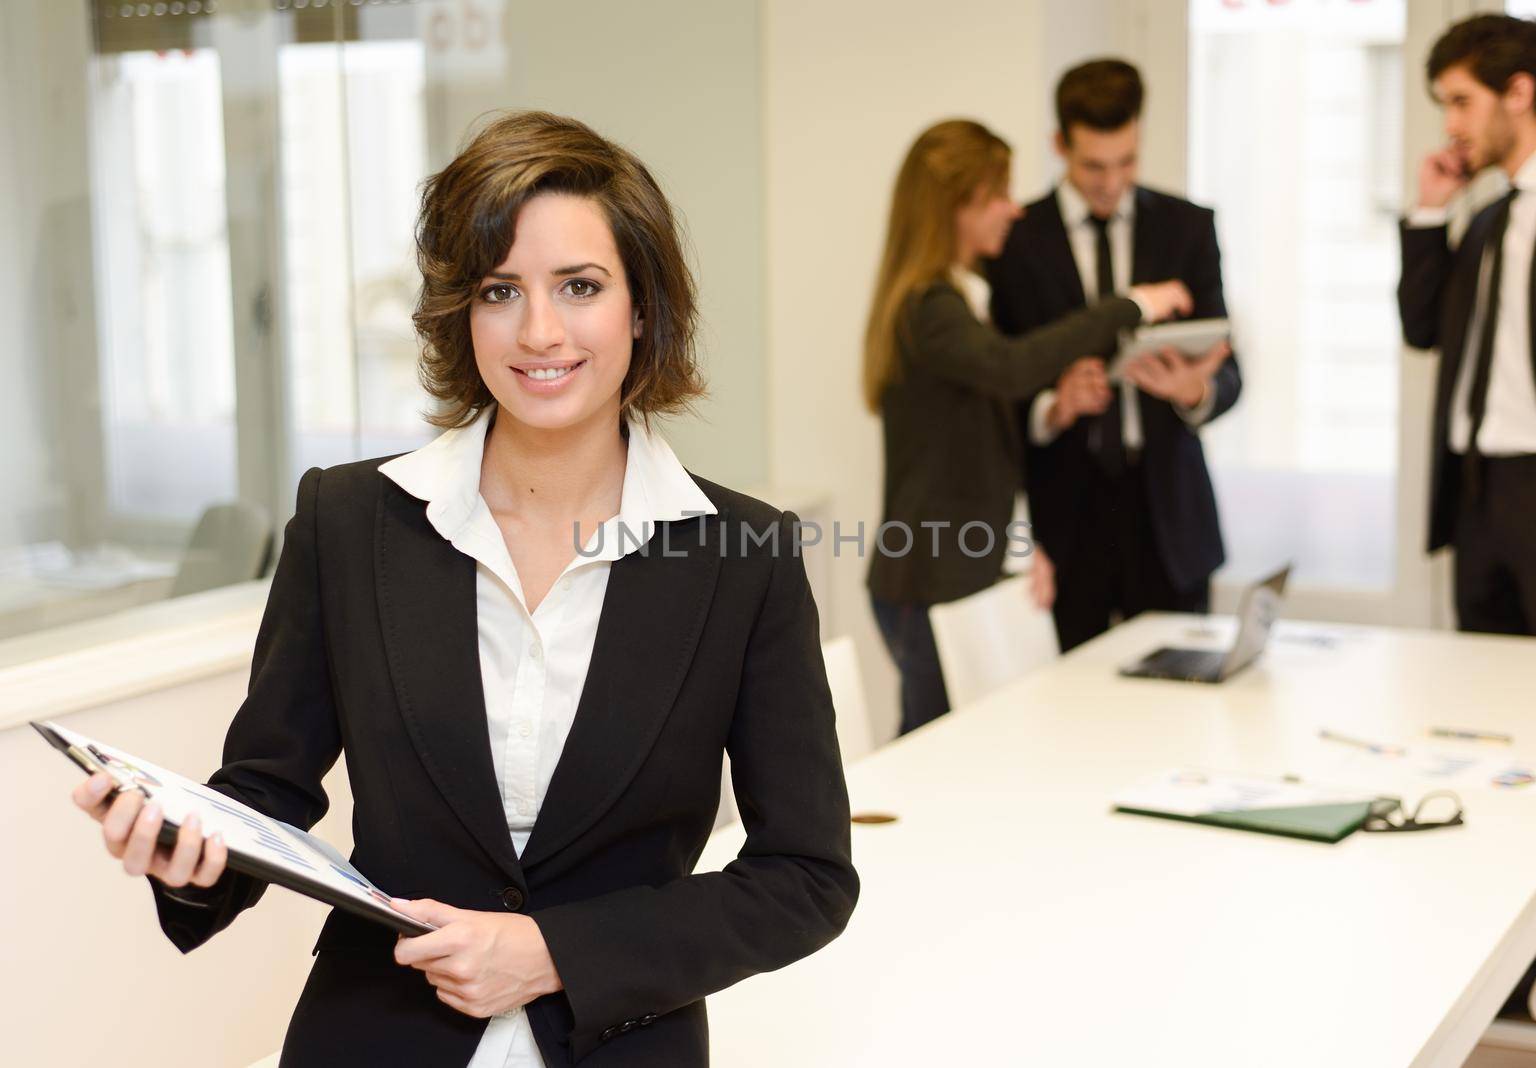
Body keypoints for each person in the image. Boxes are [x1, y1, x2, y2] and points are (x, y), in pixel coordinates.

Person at [68, 110, 858, 1067]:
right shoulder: (349, 520)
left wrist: (556, 953)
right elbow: (264, 790)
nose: (540, 331)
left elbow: (805, 877)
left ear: (642, 308)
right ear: (459, 312)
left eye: (580, 286)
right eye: (499, 290)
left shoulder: (743, 555)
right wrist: (188, 861)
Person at [863, 118, 1190, 736]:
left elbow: (981, 455)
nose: (1013, 211)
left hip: (953, 568)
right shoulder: (930, 308)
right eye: (997, 197)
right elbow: (1013, 369)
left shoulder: (959, 300)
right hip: (929, 576)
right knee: (928, 759)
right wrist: (1134, 304)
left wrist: (1017, 547)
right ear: (955, 209)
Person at [988, 59, 1239, 653]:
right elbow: (1000, 386)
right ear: (1059, 145)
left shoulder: (1187, 229)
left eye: (1126, 161)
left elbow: (1229, 369)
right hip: (1065, 522)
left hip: (1169, 519)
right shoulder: (1014, 243)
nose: (1110, 182)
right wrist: (1053, 407)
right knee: (1071, 717)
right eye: (1093, 165)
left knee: (1182, 706)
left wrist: (1194, 391)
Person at [1398, 13, 1536, 640]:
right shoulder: (1484, 220)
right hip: (1478, 494)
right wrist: (1431, 216)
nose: (1450, 126)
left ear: (1519, 92)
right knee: (1484, 701)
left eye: (1461, 102)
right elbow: (1422, 327)